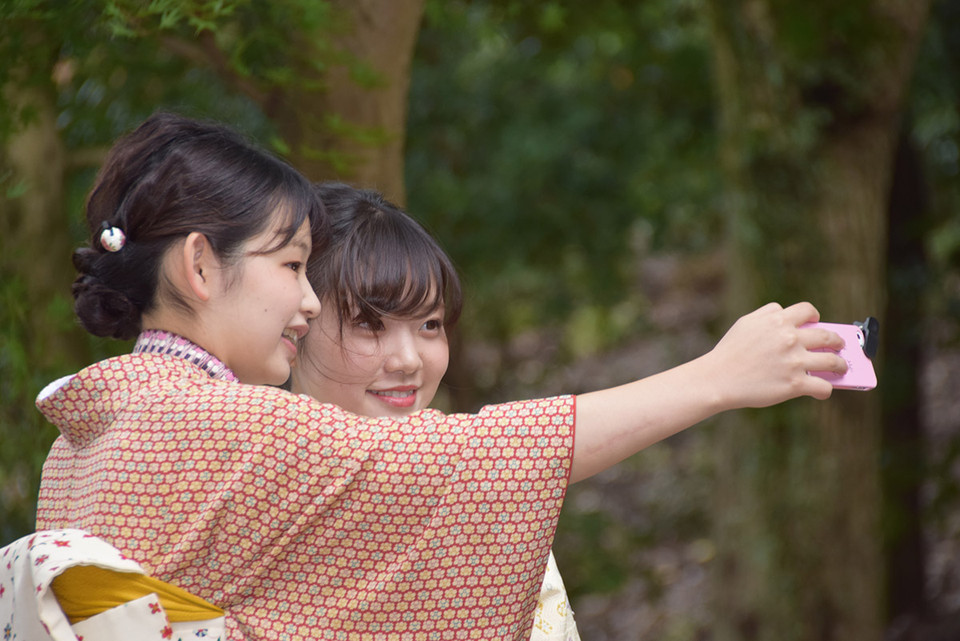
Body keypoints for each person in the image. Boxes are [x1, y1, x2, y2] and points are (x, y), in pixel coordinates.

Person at [34, 112, 847, 641]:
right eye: (290, 265)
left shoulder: (82, 439)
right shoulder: (219, 424)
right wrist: (714, 377)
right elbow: (491, 457)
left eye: (430, 325)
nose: (306, 300)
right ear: (201, 266)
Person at [288, 182, 579, 640]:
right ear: (295, 320)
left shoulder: (486, 496)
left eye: (429, 324)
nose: (408, 361)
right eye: (369, 324)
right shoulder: (245, 485)